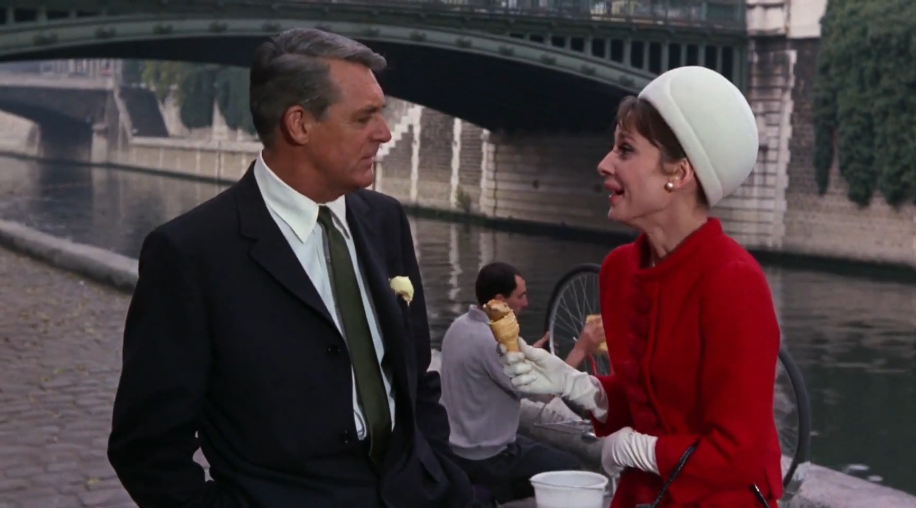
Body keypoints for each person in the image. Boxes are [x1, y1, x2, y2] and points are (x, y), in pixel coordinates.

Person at [107, 28, 472, 508]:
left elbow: (415, 374)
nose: (384, 132)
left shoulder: (385, 221)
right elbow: (147, 449)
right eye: (365, 117)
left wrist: (438, 471)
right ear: (299, 125)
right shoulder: (189, 254)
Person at [498, 66, 783, 508]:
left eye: (625, 150)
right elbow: (642, 404)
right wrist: (577, 386)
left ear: (679, 173)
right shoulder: (619, 270)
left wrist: (641, 450)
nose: (604, 164)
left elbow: (739, 453)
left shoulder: (734, 282)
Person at [438, 262, 590, 505]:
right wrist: (581, 350)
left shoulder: (460, 326)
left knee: (534, 451)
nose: (526, 303)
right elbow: (547, 391)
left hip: (456, 449)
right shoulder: (493, 342)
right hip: (487, 458)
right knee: (568, 467)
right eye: (521, 296)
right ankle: (488, 492)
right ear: (500, 299)